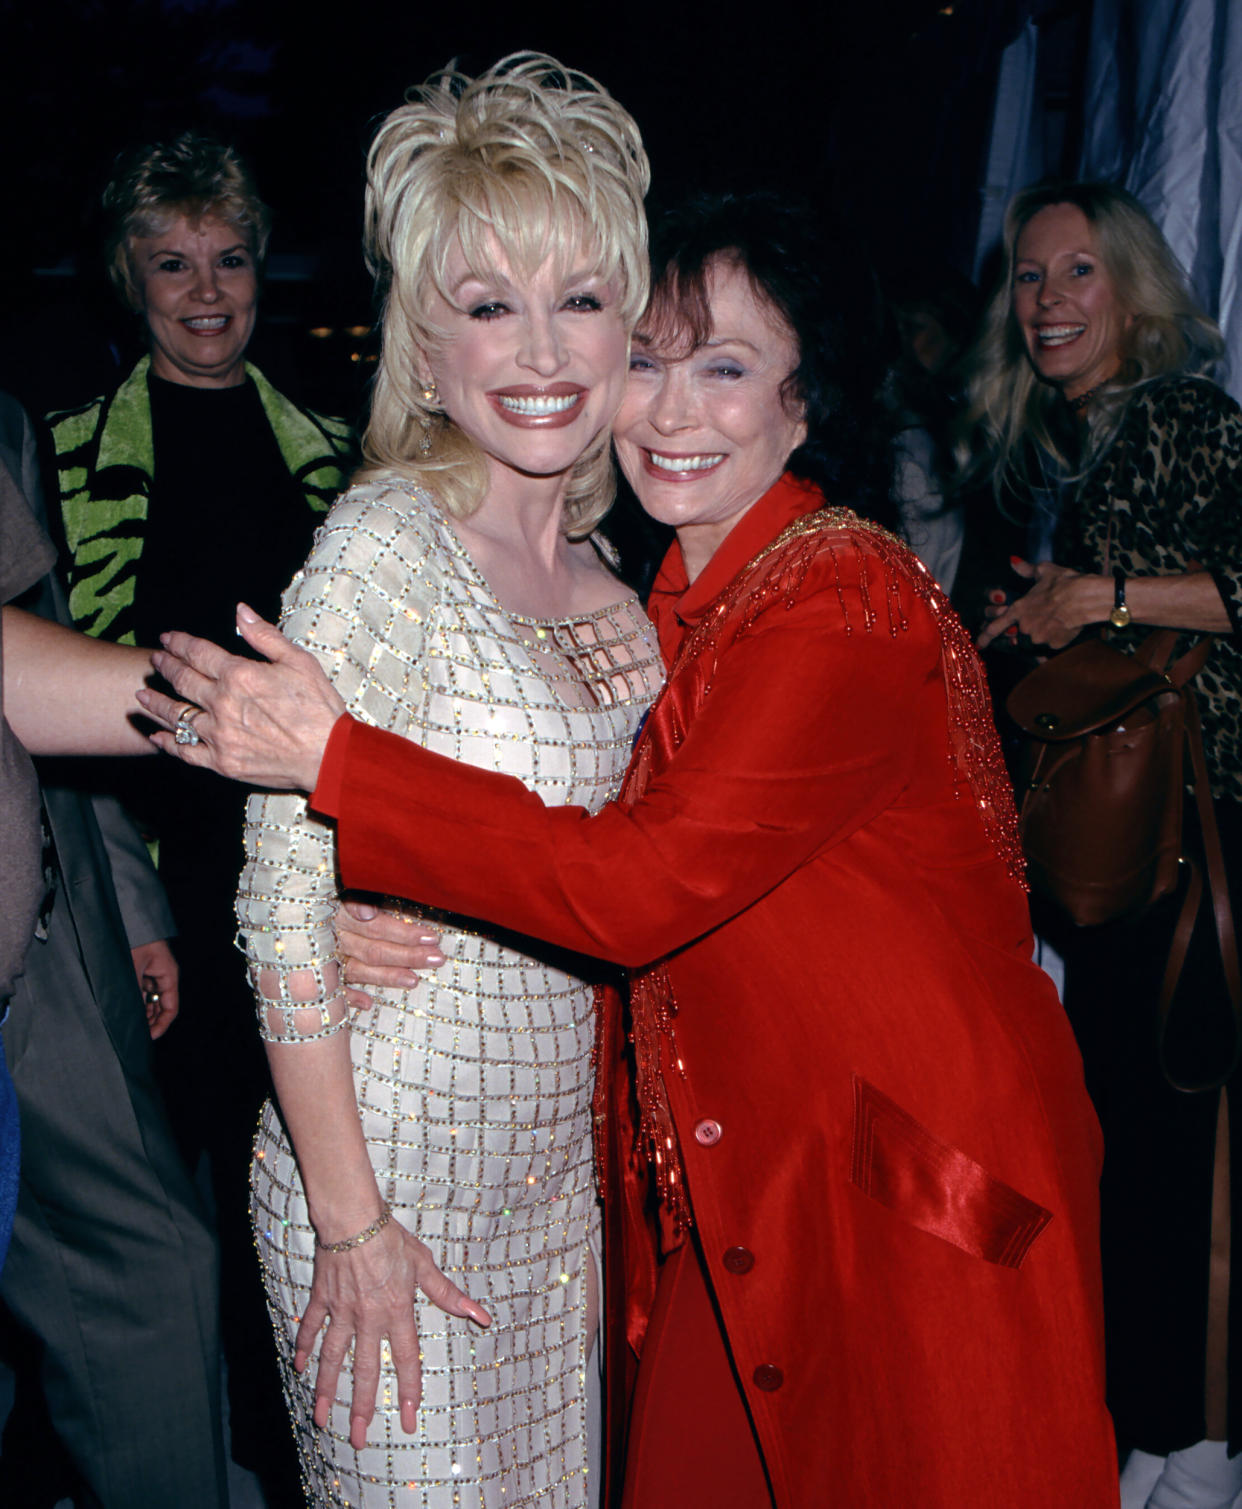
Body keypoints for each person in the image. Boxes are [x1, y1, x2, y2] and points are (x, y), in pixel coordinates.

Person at [142, 192, 1120, 1509]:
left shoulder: (837, 598)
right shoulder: (671, 591)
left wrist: (341, 764)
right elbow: (569, 830)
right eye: (648, 361)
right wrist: (343, 904)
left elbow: (637, 887)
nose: (670, 412)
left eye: (724, 368)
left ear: (802, 398)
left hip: (887, 1193)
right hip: (733, 1182)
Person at [169, 56, 659, 1508]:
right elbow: (276, 911)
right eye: (487, 303)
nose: (541, 349)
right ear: (423, 345)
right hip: (387, 1175)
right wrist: (348, 1222)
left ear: (630, 321)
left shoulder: (625, 581)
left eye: (579, 297)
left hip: (559, 1196)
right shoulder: (387, 545)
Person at [48, 129, 355, 1495]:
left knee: (294, 1168)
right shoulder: (62, 458)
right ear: (127, 274)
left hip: (307, 863)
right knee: (176, 1195)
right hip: (154, 886)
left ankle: (292, 1445)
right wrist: (129, 905)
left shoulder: (344, 452)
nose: (206, 288)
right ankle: (199, 1447)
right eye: (171, 260)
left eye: (228, 256)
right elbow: (53, 719)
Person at [964, 180, 1241, 1509]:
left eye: (1077, 273)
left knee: (1180, 1152)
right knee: (1120, 1140)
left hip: (1195, 841)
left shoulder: (1185, 417)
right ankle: (1150, 1417)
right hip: (1115, 855)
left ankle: (1192, 1450)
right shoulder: (1060, 449)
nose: (1048, 301)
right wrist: (1051, 612)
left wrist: (1104, 595)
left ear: (1133, 293)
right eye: (1028, 278)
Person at [0, 394, 227, 1507]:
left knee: (156, 1261)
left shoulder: (9, 415)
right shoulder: (88, 435)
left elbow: (25, 651)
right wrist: (244, 715)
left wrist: (126, 901)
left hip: (55, 911)